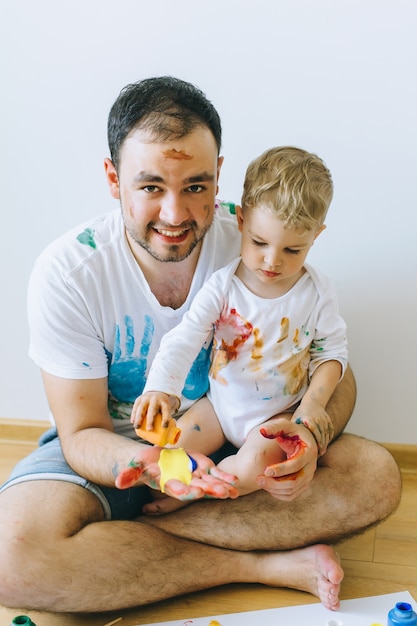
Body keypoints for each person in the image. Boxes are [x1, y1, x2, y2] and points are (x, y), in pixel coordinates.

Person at [0, 76, 401, 614]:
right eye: (149, 187)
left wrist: (311, 433)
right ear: (112, 178)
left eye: (195, 186)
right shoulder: (70, 273)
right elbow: (82, 435)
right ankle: (257, 564)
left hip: (241, 449)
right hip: (123, 453)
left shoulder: (259, 238)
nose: (175, 214)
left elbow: (334, 370)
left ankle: (138, 546)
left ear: (219, 177)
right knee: (11, 554)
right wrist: (159, 467)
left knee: (374, 477)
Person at [129, 146, 348, 505]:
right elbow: (185, 338)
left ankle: (202, 492)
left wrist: (312, 405)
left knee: (254, 468)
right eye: (260, 242)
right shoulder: (222, 286)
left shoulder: (317, 291)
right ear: (242, 221)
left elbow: (333, 354)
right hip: (218, 407)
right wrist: (161, 390)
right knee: (173, 449)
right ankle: (182, 486)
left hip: (277, 416)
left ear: (316, 237)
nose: (272, 261)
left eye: (293, 250)